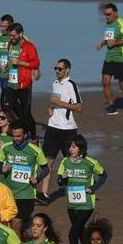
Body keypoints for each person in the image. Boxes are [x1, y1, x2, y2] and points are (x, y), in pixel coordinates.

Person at [40, 58, 82, 200]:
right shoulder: (55, 84)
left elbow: (79, 107)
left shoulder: (71, 85)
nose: (57, 71)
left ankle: (78, 191)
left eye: (60, 69)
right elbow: (55, 103)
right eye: (56, 68)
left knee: (72, 161)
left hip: (68, 129)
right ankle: (44, 193)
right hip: (53, 127)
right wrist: (51, 109)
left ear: (67, 70)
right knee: (48, 161)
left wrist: (60, 103)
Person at [0, 120, 46, 229]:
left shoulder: (35, 150)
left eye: (18, 136)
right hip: (8, 193)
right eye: (13, 136)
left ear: (25, 135)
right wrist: (2, 168)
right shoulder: (6, 147)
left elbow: (46, 169)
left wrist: (37, 178)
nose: (15, 139)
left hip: (26, 195)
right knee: (6, 225)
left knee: (15, 226)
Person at [2, 22, 41, 132]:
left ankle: (32, 136)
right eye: (10, 35)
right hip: (11, 83)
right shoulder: (10, 44)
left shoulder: (29, 47)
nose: (11, 38)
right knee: (7, 108)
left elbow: (35, 64)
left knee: (26, 113)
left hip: (24, 85)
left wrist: (20, 62)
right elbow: (11, 59)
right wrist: (6, 66)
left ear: (21, 34)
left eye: (13, 35)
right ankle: (18, 130)